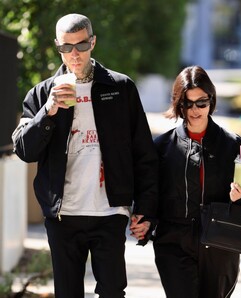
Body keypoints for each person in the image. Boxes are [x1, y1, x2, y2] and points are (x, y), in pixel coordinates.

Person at [12, 13, 158, 298]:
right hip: (63, 216)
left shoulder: (120, 88)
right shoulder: (41, 94)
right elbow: (24, 151)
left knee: (113, 291)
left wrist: (146, 208)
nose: (74, 55)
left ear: (93, 42)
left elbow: (144, 153)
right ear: (58, 46)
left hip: (109, 212)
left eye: (81, 46)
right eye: (66, 47)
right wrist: (49, 111)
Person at [153, 65, 241, 298]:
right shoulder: (163, 148)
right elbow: (149, 192)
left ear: (211, 101)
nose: (195, 110)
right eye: (187, 103)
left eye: (201, 102)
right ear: (178, 104)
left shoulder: (235, 147)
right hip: (174, 244)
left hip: (220, 247)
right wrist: (144, 220)